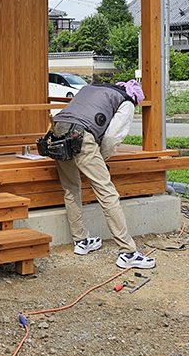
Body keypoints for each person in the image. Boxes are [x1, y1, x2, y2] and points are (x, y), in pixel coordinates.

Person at [50, 79, 155, 269]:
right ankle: (128, 252)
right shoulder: (126, 100)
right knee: (108, 194)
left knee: (71, 189)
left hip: (57, 130)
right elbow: (113, 136)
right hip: (82, 135)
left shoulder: (92, 88)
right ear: (135, 97)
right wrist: (101, 158)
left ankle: (81, 241)